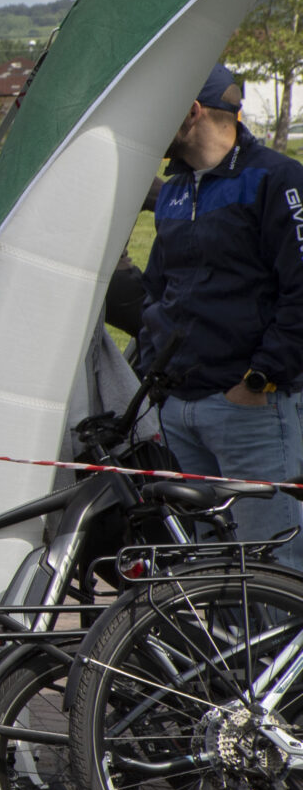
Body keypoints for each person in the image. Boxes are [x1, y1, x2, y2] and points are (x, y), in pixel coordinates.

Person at [139, 64, 303, 569]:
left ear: (191, 111)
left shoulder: (276, 178)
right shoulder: (173, 188)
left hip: (249, 408)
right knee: (211, 574)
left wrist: (260, 378)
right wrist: (156, 378)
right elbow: (158, 289)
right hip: (183, 409)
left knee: (268, 570)